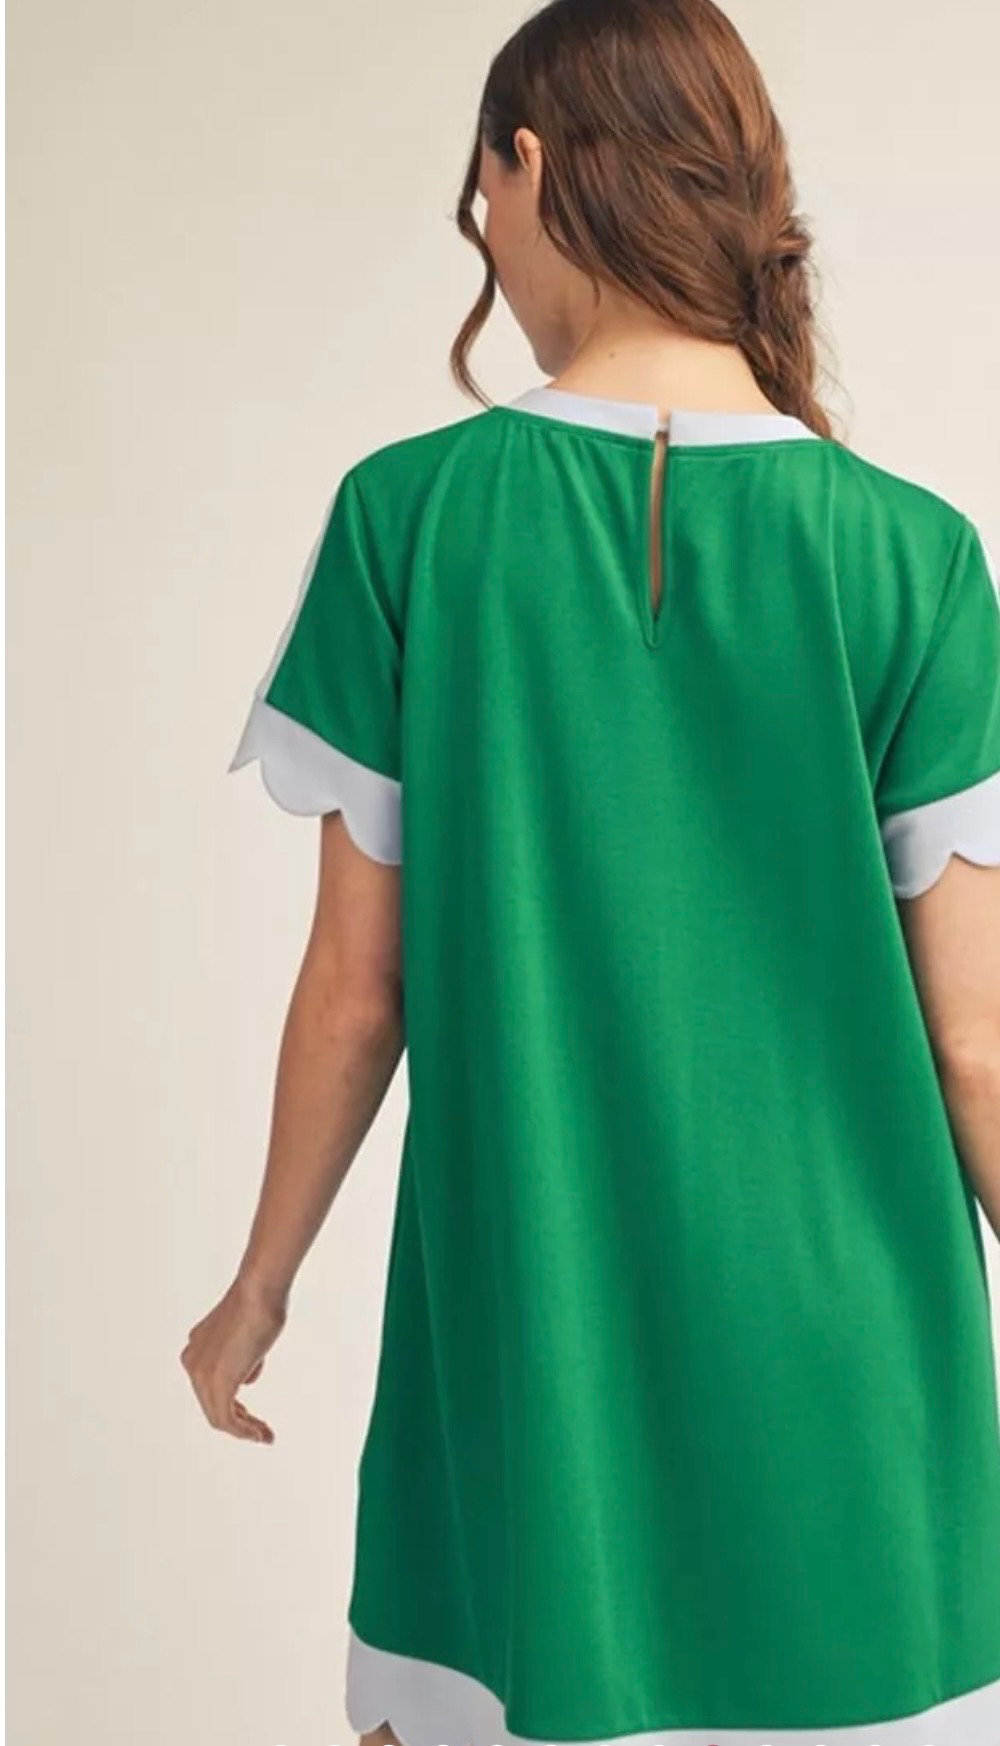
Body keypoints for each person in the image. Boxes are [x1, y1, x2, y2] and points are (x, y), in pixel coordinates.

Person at [181, 0, 1000, 1739]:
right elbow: (978, 1045)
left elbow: (359, 990)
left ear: (530, 164)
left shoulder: (409, 517)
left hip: (528, 1374)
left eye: (476, 189)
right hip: (857, 1406)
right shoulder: (914, 556)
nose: (480, 229)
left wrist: (259, 1288)